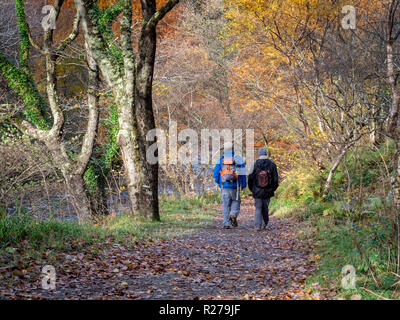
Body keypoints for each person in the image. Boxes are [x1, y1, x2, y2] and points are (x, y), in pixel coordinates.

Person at [213, 141, 246, 229]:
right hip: (235, 186)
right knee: (236, 201)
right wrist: (243, 185)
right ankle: (233, 214)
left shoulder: (220, 159)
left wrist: (218, 182)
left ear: (224, 149)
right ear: (232, 149)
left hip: (224, 186)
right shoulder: (238, 159)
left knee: (225, 205)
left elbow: (216, 172)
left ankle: (226, 223)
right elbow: (243, 173)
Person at [248, 147, 279, 231]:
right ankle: (264, 224)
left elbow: (250, 178)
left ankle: (257, 226)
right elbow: (276, 179)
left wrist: (252, 189)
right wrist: (273, 189)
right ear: (266, 154)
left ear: (259, 154)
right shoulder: (272, 164)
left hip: (257, 190)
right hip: (268, 190)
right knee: (265, 207)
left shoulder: (254, 164)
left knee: (258, 207)